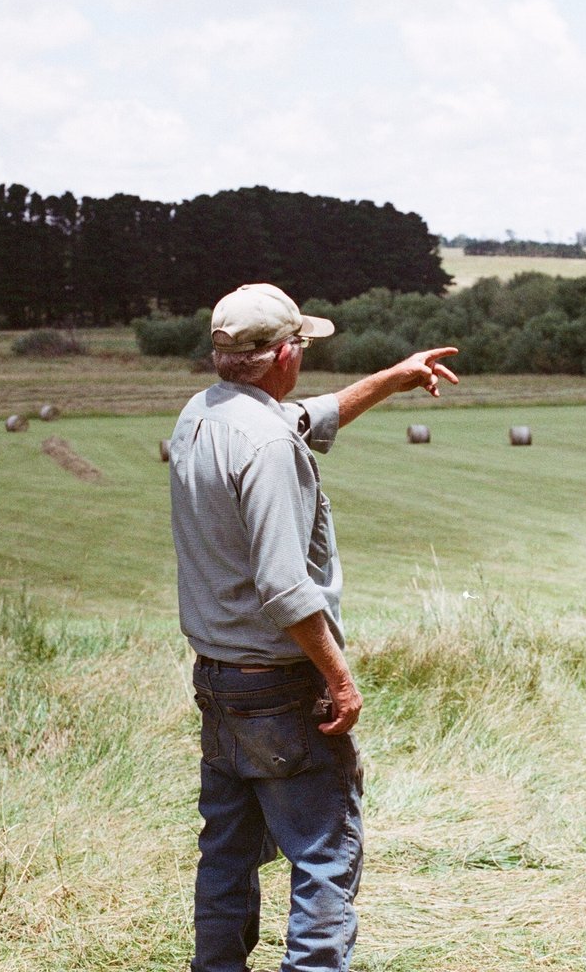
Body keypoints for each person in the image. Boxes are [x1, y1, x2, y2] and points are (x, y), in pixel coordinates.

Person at [169, 282, 458, 972]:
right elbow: (284, 587)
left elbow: (309, 416)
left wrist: (393, 378)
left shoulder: (202, 414)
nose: (303, 353)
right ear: (282, 355)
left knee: (227, 853)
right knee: (324, 857)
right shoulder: (269, 444)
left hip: (219, 679)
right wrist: (339, 677)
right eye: (299, 342)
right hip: (278, 685)